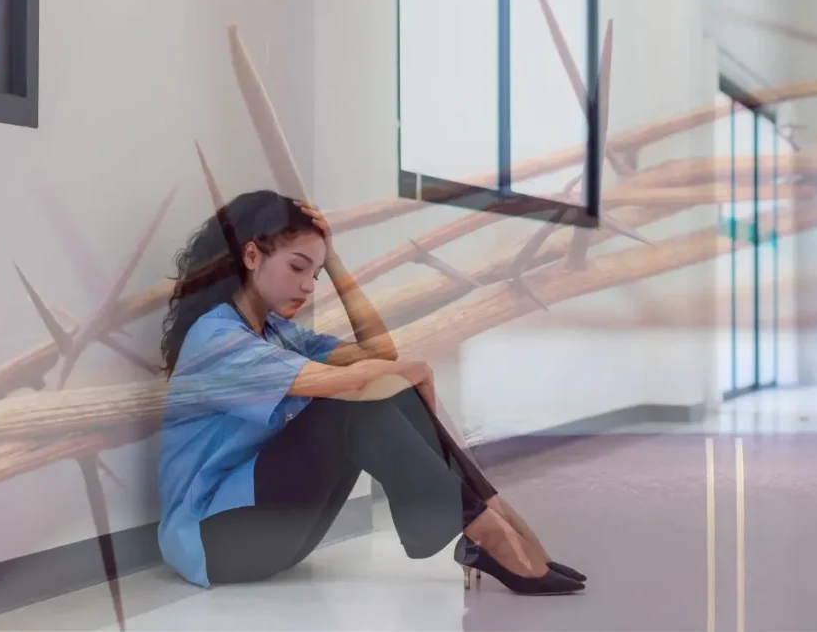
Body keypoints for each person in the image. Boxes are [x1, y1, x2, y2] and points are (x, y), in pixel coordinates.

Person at [156, 190, 586, 595]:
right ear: (251, 255)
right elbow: (357, 381)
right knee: (353, 406)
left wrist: (336, 260)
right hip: (213, 543)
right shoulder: (216, 339)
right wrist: (411, 370)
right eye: (297, 267)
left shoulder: (275, 332)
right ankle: (488, 531)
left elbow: (379, 352)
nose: (309, 286)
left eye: (317, 273)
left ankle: (495, 516)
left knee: (387, 388)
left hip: (275, 532)